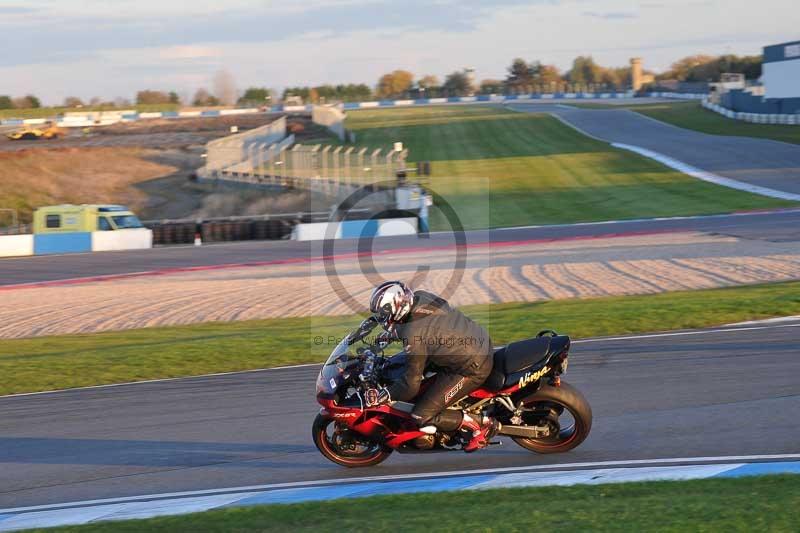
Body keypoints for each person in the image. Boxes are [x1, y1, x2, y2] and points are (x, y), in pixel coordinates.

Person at [364, 280, 499, 452]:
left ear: (398, 308)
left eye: (384, 314)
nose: (383, 319)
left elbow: (410, 385)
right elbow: (426, 325)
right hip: (476, 341)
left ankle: (481, 425)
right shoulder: (421, 297)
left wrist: (385, 394)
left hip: (471, 367)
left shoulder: (413, 336)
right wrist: (394, 334)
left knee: (420, 415)